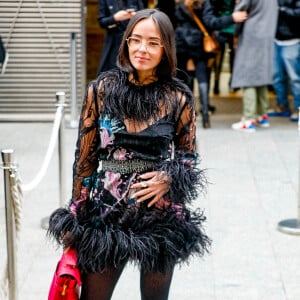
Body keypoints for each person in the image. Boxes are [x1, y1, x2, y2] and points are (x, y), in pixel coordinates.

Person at [48, 8, 210, 300]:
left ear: (165, 49)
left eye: (152, 42)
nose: (142, 49)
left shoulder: (179, 97)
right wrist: (75, 214)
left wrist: (168, 177)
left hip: (158, 216)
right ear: (125, 43)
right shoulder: (101, 90)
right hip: (106, 213)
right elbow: (85, 159)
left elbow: (188, 156)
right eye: (135, 40)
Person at [175, 0, 247, 128]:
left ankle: (189, 115)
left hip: (181, 43)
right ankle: (206, 117)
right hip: (198, 44)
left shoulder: (179, 3)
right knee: (202, 77)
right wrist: (232, 18)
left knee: (186, 80)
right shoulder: (203, 3)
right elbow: (211, 22)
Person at [231, 0, 278, 132]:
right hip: (267, 36)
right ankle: (262, 115)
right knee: (261, 75)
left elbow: (240, 13)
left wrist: (235, 33)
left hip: (251, 36)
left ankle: (248, 119)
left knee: (248, 76)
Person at [268, 0, 300, 122]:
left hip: (292, 40)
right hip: (276, 39)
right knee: (276, 76)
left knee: (295, 78)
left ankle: (298, 108)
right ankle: (282, 106)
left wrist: (281, 10)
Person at [97, 0, 144, 74]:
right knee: (111, 72)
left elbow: (144, 17)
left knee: (132, 70)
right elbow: (101, 22)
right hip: (114, 43)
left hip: (132, 41)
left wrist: (136, 16)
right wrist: (115, 18)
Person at [210, 0, 236, 95]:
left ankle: (216, 84)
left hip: (221, 26)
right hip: (232, 27)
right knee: (233, 58)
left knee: (218, 59)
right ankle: (232, 84)